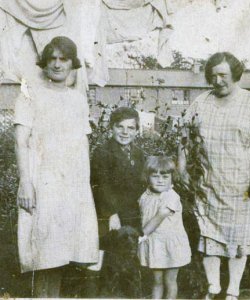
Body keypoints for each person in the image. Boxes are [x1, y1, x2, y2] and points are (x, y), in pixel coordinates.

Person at [178, 52, 250, 300]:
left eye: (223, 75)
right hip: (208, 183)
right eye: (213, 76)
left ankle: (232, 290)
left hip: (243, 184)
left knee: (239, 239)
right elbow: (184, 136)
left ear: (235, 74)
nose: (217, 80)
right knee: (209, 235)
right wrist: (181, 168)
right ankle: (213, 288)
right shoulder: (201, 102)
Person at [14, 36, 99, 297]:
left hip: (72, 186)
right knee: (45, 257)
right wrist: (26, 183)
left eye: (64, 59)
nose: (58, 64)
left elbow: (81, 145)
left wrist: (83, 191)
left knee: (64, 255)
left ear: (73, 63)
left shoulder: (78, 100)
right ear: (45, 63)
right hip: (43, 182)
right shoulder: (30, 95)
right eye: (52, 58)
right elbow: (20, 142)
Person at [90, 107, 145, 296]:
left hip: (131, 215)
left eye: (130, 128)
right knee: (109, 264)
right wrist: (111, 214)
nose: (125, 132)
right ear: (111, 128)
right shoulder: (102, 152)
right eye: (120, 127)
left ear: (137, 131)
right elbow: (100, 186)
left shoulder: (138, 154)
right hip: (110, 216)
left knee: (129, 263)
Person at [138, 156, 191, 299]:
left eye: (165, 176)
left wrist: (141, 235)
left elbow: (159, 217)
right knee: (157, 280)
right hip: (154, 243)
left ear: (172, 178)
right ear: (147, 178)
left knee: (170, 280)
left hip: (171, 244)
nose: (160, 180)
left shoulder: (170, 196)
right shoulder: (145, 195)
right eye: (155, 176)